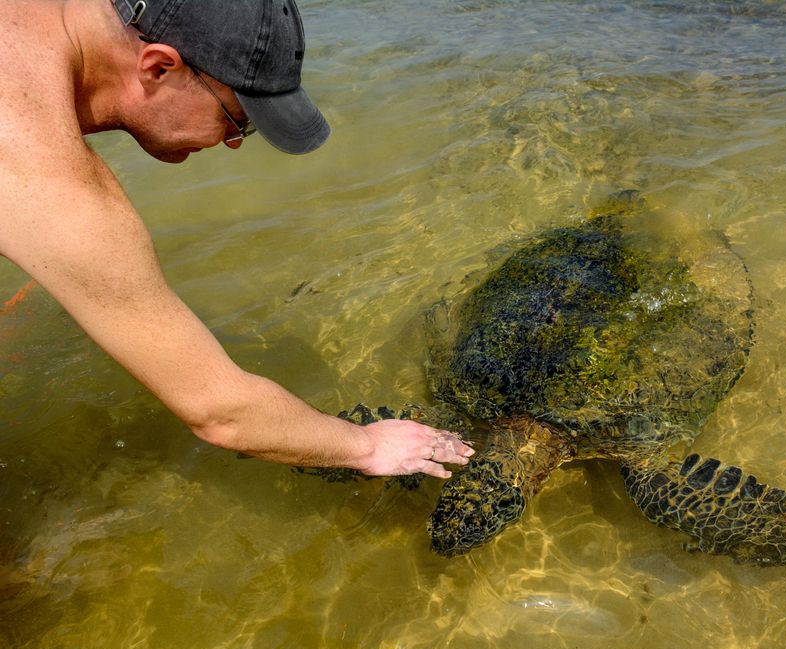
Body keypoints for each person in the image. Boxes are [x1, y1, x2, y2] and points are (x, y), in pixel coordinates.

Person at [0, 0, 474, 477]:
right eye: (236, 118)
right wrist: (368, 447)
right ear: (158, 66)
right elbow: (221, 412)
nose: (231, 142)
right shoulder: (40, 164)